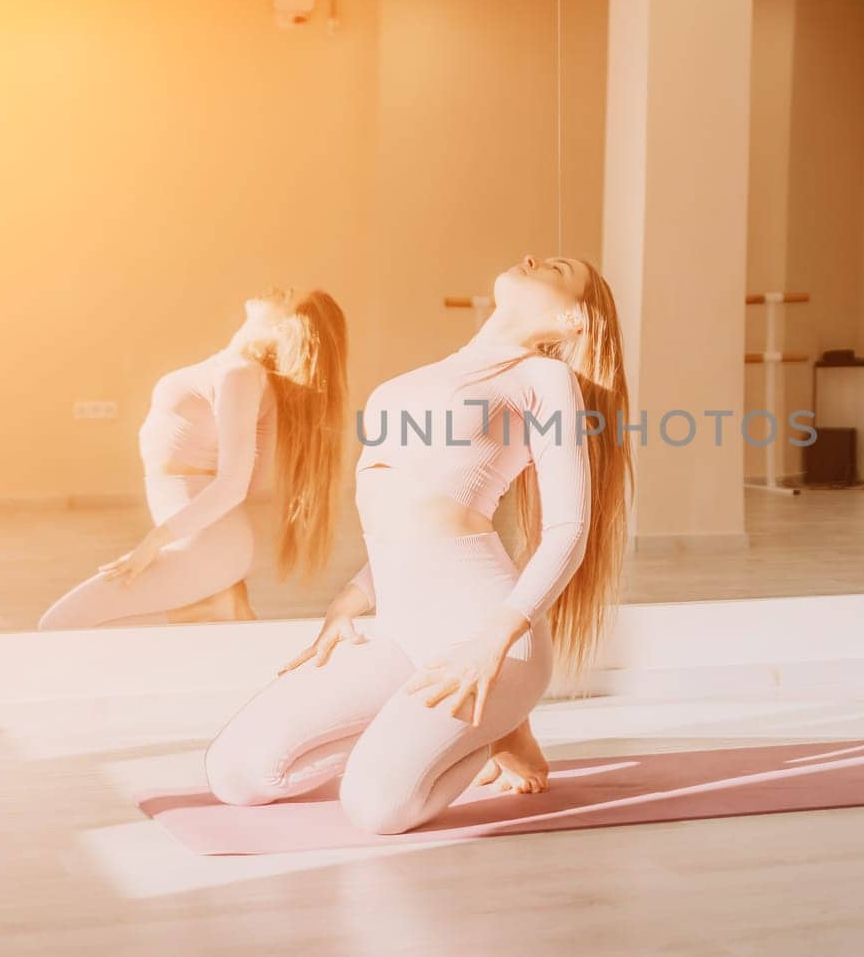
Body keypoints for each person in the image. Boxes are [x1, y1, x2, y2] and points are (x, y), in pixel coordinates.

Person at [203, 255, 633, 835]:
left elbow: (568, 530)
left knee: (377, 809)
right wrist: (351, 598)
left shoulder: (541, 380)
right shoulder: (416, 380)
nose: (534, 258)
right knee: (240, 775)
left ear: (574, 320)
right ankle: (470, 730)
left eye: (558, 269)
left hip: (488, 637)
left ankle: (498, 729)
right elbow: (407, 514)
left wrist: (494, 641)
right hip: (403, 630)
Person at [38, 289, 348, 630]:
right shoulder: (242, 374)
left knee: (60, 625)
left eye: (290, 296)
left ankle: (211, 610)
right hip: (212, 542)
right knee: (71, 626)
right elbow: (251, 480)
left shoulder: (240, 375)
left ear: (287, 327)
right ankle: (215, 607)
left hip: (209, 544)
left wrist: (153, 543)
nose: (280, 289)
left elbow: (235, 486)